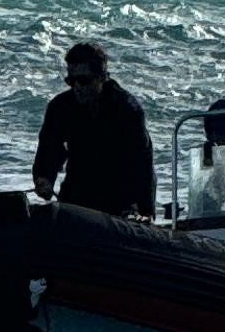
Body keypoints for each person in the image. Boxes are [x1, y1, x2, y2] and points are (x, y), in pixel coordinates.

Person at [33, 40, 154, 216]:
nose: (77, 87)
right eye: (71, 81)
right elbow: (49, 149)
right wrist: (44, 178)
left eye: (83, 81)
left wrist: (144, 210)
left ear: (101, 78)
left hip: (118, 196)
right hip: (78, 191)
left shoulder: (126, 109)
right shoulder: (60, 107)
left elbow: (142, 162)